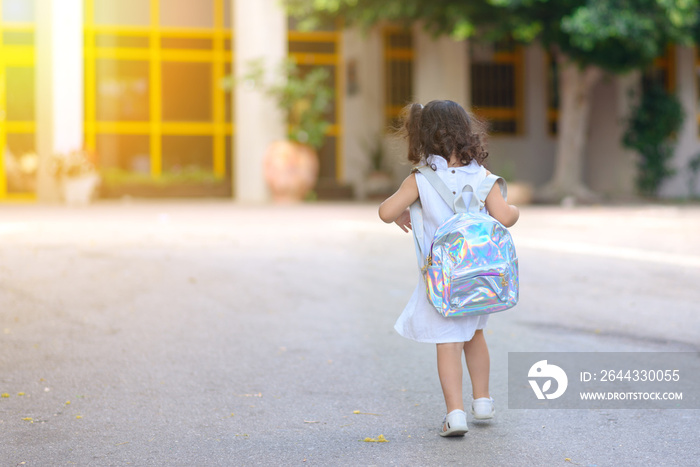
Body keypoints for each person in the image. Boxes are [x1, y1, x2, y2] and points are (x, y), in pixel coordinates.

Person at [378, 100, 519, 437]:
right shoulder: (482, 176)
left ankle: (455, 414)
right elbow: (504, 217)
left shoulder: (421, 178)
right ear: (466, 132)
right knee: (475, 336)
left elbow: (385, 212)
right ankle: (482, 401)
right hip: (479, 278)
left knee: (448, 342)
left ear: (422, 137)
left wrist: (406, 206)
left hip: (442, 281)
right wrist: (514, 210)